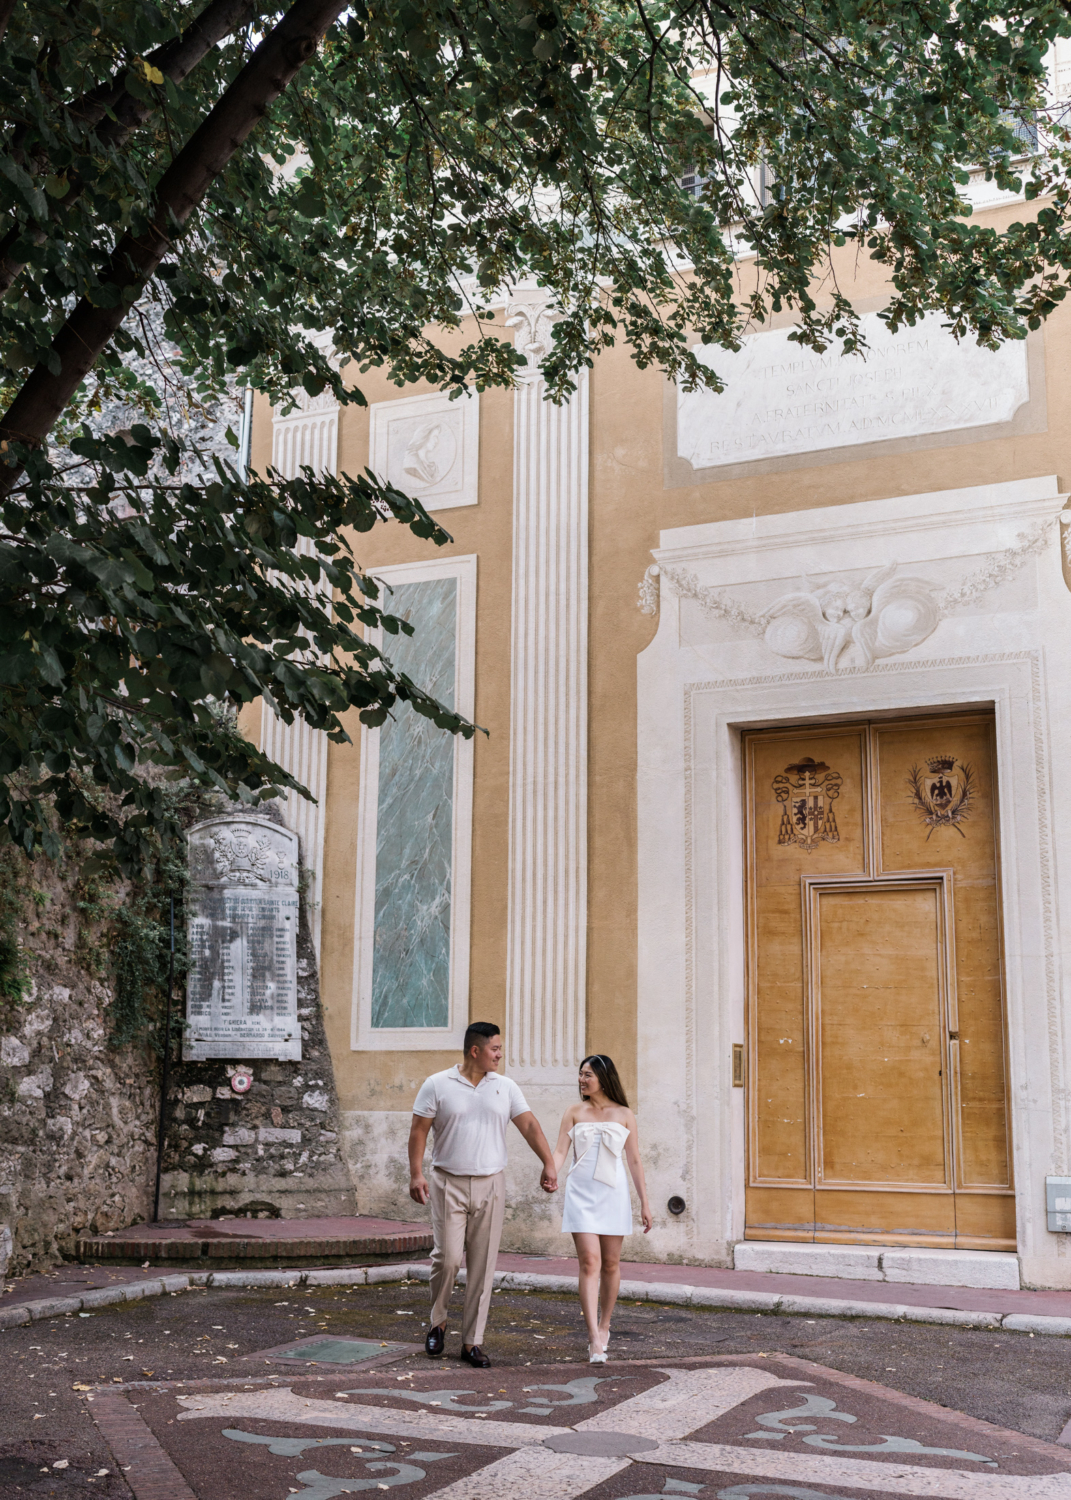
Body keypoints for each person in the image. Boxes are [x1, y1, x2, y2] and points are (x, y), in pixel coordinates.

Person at [409, 1021, 558, 1367]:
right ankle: (438, 1322)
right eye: (495, 1049)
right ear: (475, 1051)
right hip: (448, 1181)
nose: (500, 1054)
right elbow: (418, 1131)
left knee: (482, 1265)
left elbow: (530, 1125)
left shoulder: (505, 1087)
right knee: (447, 1259)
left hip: (491, 1183)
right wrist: (416, 1174)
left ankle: (471, 1343)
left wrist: (548, 1162)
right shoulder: (437, 1084)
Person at [551, 1053, 652, 1363]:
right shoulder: (573, 1111)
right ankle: (594, 1336)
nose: (582, 1080)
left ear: (603, 1078)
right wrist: (550, 1173)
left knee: (610, 1263)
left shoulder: (624, 1114)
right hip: (581, 1193)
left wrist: (645, 1203)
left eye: (587, 1075)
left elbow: (634, 1160)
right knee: (589, 1262)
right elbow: (559, 1151)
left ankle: (606, 1325)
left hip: (613, 1193)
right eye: (581, 1074)